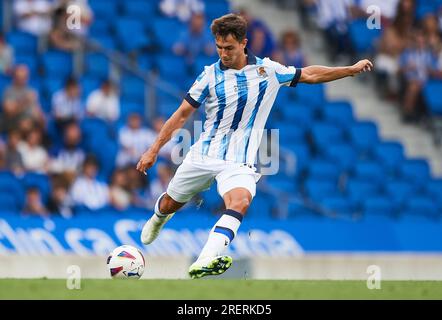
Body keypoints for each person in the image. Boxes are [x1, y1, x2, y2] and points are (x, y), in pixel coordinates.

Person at [136, 13, 373, 279]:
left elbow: (309, 74)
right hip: (203, 154)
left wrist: (349, 70)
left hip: (239, 162)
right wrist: (153, 149)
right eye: (219, 47)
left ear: (243, 43)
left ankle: (205, 259)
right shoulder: (209, 76)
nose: (223, 53)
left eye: (229, 48)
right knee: (170, 204)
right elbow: (181, 115)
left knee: (240, 201)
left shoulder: (268, 71)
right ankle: (158, 219)